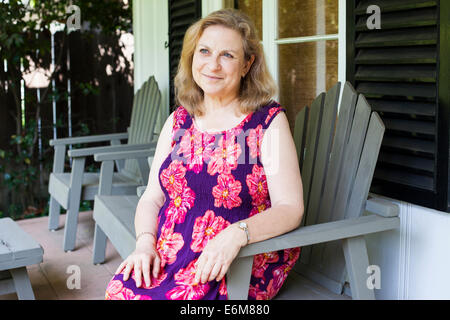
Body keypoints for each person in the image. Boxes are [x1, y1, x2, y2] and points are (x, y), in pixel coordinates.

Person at [105, 8, 304, 300]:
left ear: (247, 64)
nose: (213, 64)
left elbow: (290, 208)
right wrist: (145, 243)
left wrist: (238, 234)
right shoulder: (179, 120)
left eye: (228, 55)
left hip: (239, 259)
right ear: (192, 57)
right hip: (170, 253)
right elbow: (152, 196)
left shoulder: (267, 121)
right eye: (205, 51)